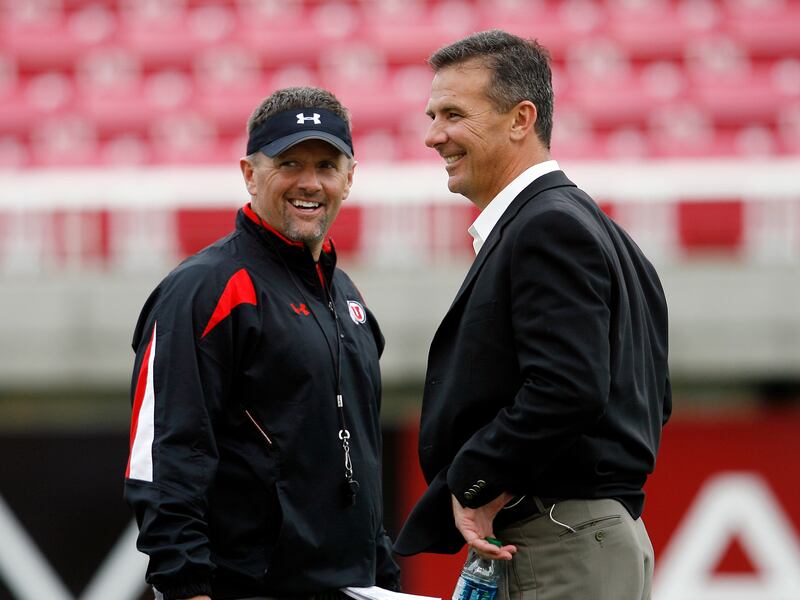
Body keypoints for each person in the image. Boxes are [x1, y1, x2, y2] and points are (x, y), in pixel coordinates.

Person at [394, 30, 671, 600]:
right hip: (582, 535)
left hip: (559, 538)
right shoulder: (596, 228)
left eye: (453, 114)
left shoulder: (548, 227)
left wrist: (478, 480)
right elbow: (650, 398)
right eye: (431, 114)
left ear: (521, 119)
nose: (432, 136)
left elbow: (568, 386)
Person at [124, 87, 401, 600]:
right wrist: (186, 584)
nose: (310, 182)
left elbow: (359, 453)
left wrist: (381, 571)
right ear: (250, 174)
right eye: (289, 162)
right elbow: (165, 455)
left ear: (349, 178)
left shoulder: (346, 296)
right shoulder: (204, 289)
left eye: (326, 164)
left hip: (355, 587)